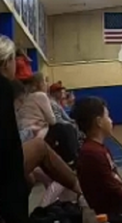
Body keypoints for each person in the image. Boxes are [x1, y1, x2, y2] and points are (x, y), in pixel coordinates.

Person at [0, 35, 82, 223]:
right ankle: (82, 190)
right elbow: (8, 144)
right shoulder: (4, 87)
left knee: (29, 177)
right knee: (40, 147)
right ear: (6, 63)